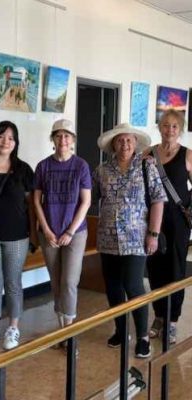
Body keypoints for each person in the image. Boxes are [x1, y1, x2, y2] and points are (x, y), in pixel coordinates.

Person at [93, 122, 167, 358]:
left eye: (129, 140)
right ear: (113, 145)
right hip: (107, 239)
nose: (124, 144)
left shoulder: (146, 167)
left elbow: (158, 200)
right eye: (120, 140)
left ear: (135, 144)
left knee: (134, 286)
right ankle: (120, 330)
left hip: (136, 239)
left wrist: (153, 234)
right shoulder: (102, 170)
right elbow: (87, 196)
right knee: (113, 287)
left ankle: (143, 336)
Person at [0, 121, 37, 351]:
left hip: (17, 236)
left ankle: (13, 327)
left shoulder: (23, 169)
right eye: (1, 136)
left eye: (11, 138)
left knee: (13, 283)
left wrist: (33, 234)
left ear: (16, 143)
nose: (5, 141)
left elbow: (32, 205)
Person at [34, 119, 91, 352]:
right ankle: (61, 333)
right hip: (49, 232)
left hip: (75, 233)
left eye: (67, 136)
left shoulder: (81, 166)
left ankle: (70, 333)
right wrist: (46, 230)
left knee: (69, 282)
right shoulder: (43, 167)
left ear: (73, 140)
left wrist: (69, 231)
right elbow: (36, 201)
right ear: (53, 139)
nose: (63, 140)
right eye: (58, 135)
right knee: (56, 283)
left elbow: (86, 201)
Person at [146, 110, 192, 344]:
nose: (169, 130)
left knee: (175, 270)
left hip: (177, 222)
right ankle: (159, 316)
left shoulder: (187, 155)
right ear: (160, 127)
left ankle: (172, 320)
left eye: (174, 126)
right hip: (154, 220)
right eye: (165, 125)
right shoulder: (149, 153)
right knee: (155, 269)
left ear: (180, 129)